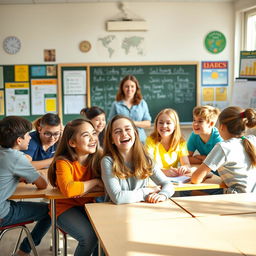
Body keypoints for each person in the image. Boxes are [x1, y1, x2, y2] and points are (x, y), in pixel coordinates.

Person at [48, 118, 104, 256]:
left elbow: (108, 186)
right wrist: (95, 182)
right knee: (89, 238)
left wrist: (83, 188)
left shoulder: (100, 157)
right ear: (72, 143)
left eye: (94, 133)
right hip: (64, 207)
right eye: (86, 135)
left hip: (88, 205)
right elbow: (69, 190)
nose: (92, 139)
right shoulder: (63, 161)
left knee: (105, 236)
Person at [0, 116, 51, 256]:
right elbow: (42, 185)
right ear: (19, 140)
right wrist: (38, 176)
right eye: (28, 135)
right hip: (1, 213)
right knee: (51, 211)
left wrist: (19, 176)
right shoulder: (17, 158)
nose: (30, 138)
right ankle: (24, 251)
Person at [101, 115, 174, 205]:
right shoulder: (108, 161)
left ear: (135, 133)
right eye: (117, 131)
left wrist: (163, 195)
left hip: (141, 209)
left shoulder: (147, 158)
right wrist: (148, 191)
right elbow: (118, 198)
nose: (124, 134)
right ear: (112, 139)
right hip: (115, 212)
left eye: (128, 129)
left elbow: (167, 184)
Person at [191, 106, 256, 194]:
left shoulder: (223, 147)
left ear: (222, 126)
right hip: (253, 197)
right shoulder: (252, 140)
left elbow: (195, 179)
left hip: (236, 199)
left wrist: (205, 175)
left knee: (192, 193)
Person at [145, 108, 191, 177]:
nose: (164, 126)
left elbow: (186, 164)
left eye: (168, 123)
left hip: (174, 179)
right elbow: (148, 165)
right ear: (156, 125)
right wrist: (163, 172)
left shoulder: (181, 142)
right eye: (160, 122)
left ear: (175, 126)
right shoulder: (151, 140)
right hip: (155, 178)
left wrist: (184, 168)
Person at [108, 75, 151, 143]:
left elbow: (148, 124)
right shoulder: (116, 104)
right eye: (126, 86)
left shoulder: (142, 103)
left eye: (132, 86)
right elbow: (110, 123)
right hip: (123, 141)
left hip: (140, 141)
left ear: (136, 88)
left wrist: (132, 123)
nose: (129, 89)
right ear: (122, 88)